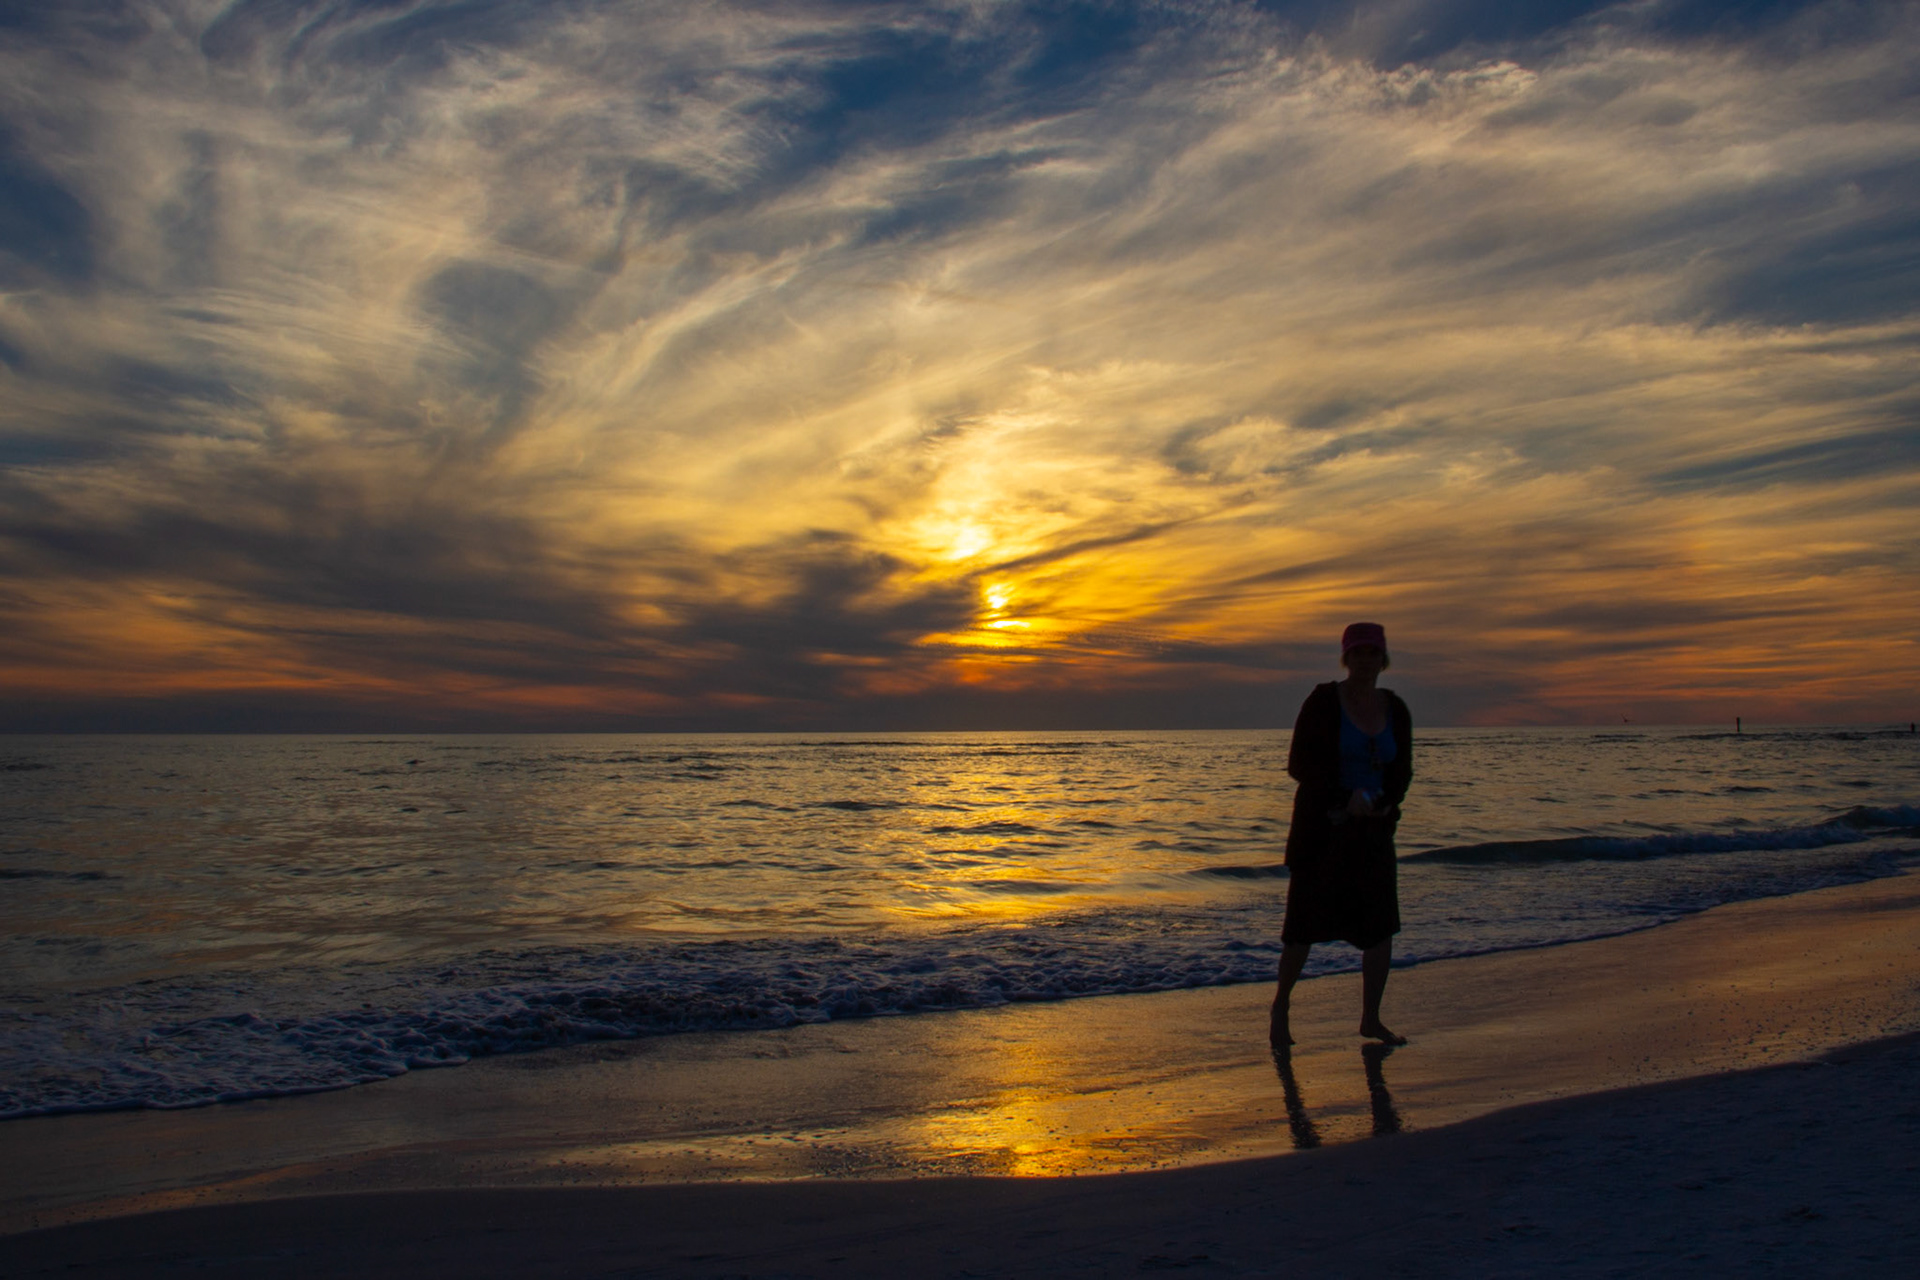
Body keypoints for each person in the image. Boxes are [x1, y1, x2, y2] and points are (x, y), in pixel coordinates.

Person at [1270, 621, 1412, 1049]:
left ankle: (1371, 1018)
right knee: (1302, 929)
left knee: (1381, 927)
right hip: (1323, 831)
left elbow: (1401, 769)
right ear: (1346, 658)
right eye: (1358, 652)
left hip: (1373, 832)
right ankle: (1281, 1006)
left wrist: (1388, 801)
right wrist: (1342, 797)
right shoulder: (1323, 701)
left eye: (1373, 652)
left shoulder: (1395, 707)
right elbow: (1300, 764)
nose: (1366, 660)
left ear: (1382, 658)